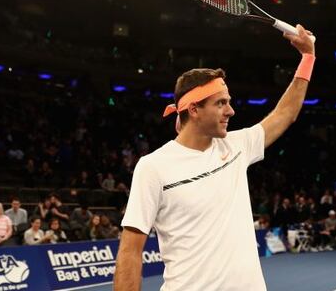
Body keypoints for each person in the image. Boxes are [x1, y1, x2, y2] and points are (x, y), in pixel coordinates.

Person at [114, 24, 316, 291]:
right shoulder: (153, 167)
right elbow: (130, 251)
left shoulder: (236, 146)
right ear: (194, 109)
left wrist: (307, 58)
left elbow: (284, 114)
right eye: (221, 103)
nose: (230, 111)